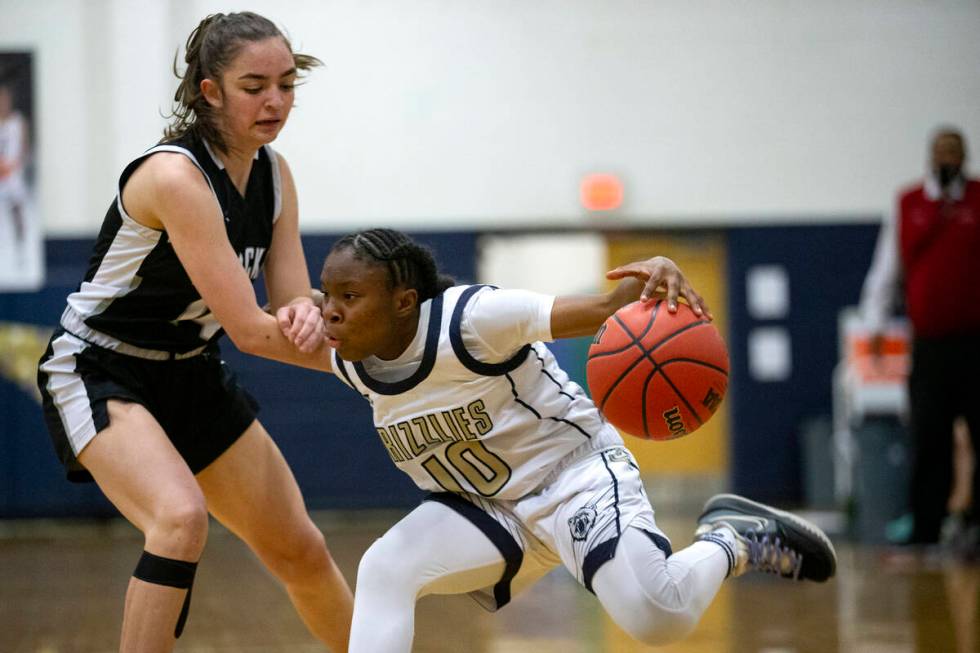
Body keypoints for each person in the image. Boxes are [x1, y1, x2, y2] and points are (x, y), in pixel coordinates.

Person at [308, 228, 837, 651]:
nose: (330, 309)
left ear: (402, 301)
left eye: (349, 296)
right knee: (385, 568)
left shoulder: (476, 319)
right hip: (487, 507)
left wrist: (656, 270)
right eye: (327, 295)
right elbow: (253, 328)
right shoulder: (347, 351)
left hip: (572, 476)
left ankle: (732, 538)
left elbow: (611, 308)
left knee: (658, 619)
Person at [35, 12, 352, 653]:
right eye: (254, 85)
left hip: (191, 369)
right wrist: (396, 373)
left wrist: (309, 312)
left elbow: (286, 307)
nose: (275, 101)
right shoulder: (175, 178)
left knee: (301, 547)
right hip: (100, 367)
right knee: (178, 520)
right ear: (210, 91)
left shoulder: (275, 175)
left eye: (287, 84)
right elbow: (253, 333)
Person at [860, 126, 980, 547]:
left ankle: (972, 525)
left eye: (955, 151)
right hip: (929, 344)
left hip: (975, 344)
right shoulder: (908, 203)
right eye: (941, 151)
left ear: (964, 156)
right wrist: (874, 325)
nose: (948, 158)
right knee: (930, 438)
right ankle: (926, 530)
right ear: (930, 156)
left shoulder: (977, 198)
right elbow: (885, 269)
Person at [0, 81, 29, 259]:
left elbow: (24, 148)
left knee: (16, 210)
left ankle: (21, 247)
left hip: (12, 174)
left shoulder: (18, 121)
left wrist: (15, 164)